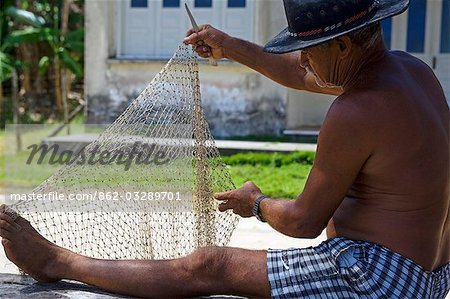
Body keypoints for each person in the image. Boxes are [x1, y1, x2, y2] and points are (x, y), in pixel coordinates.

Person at [1, 0, 449, 297]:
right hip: (433, 275)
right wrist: (230, 46)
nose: (305, 59)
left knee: (208, 264)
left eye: (310, 48)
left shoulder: (355, 111)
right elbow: (302, 75)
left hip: (383, 279)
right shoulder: (412, 71)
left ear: (345, 45)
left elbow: (302, 222)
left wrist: (256, 203)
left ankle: (55, 259)